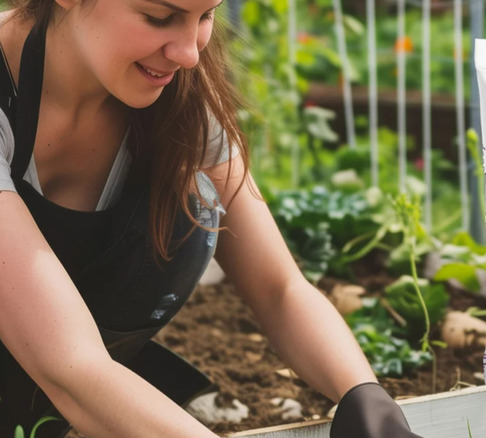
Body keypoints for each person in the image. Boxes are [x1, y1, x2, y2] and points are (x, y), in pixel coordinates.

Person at [0, 1, 422, 437]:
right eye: (159, 18)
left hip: (74, 370)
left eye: (204, 17)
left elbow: (280, 288)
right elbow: (72, 366)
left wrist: (364, 395)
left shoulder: (177, 95)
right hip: (63, 366)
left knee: (194, 203)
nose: (189, 54)